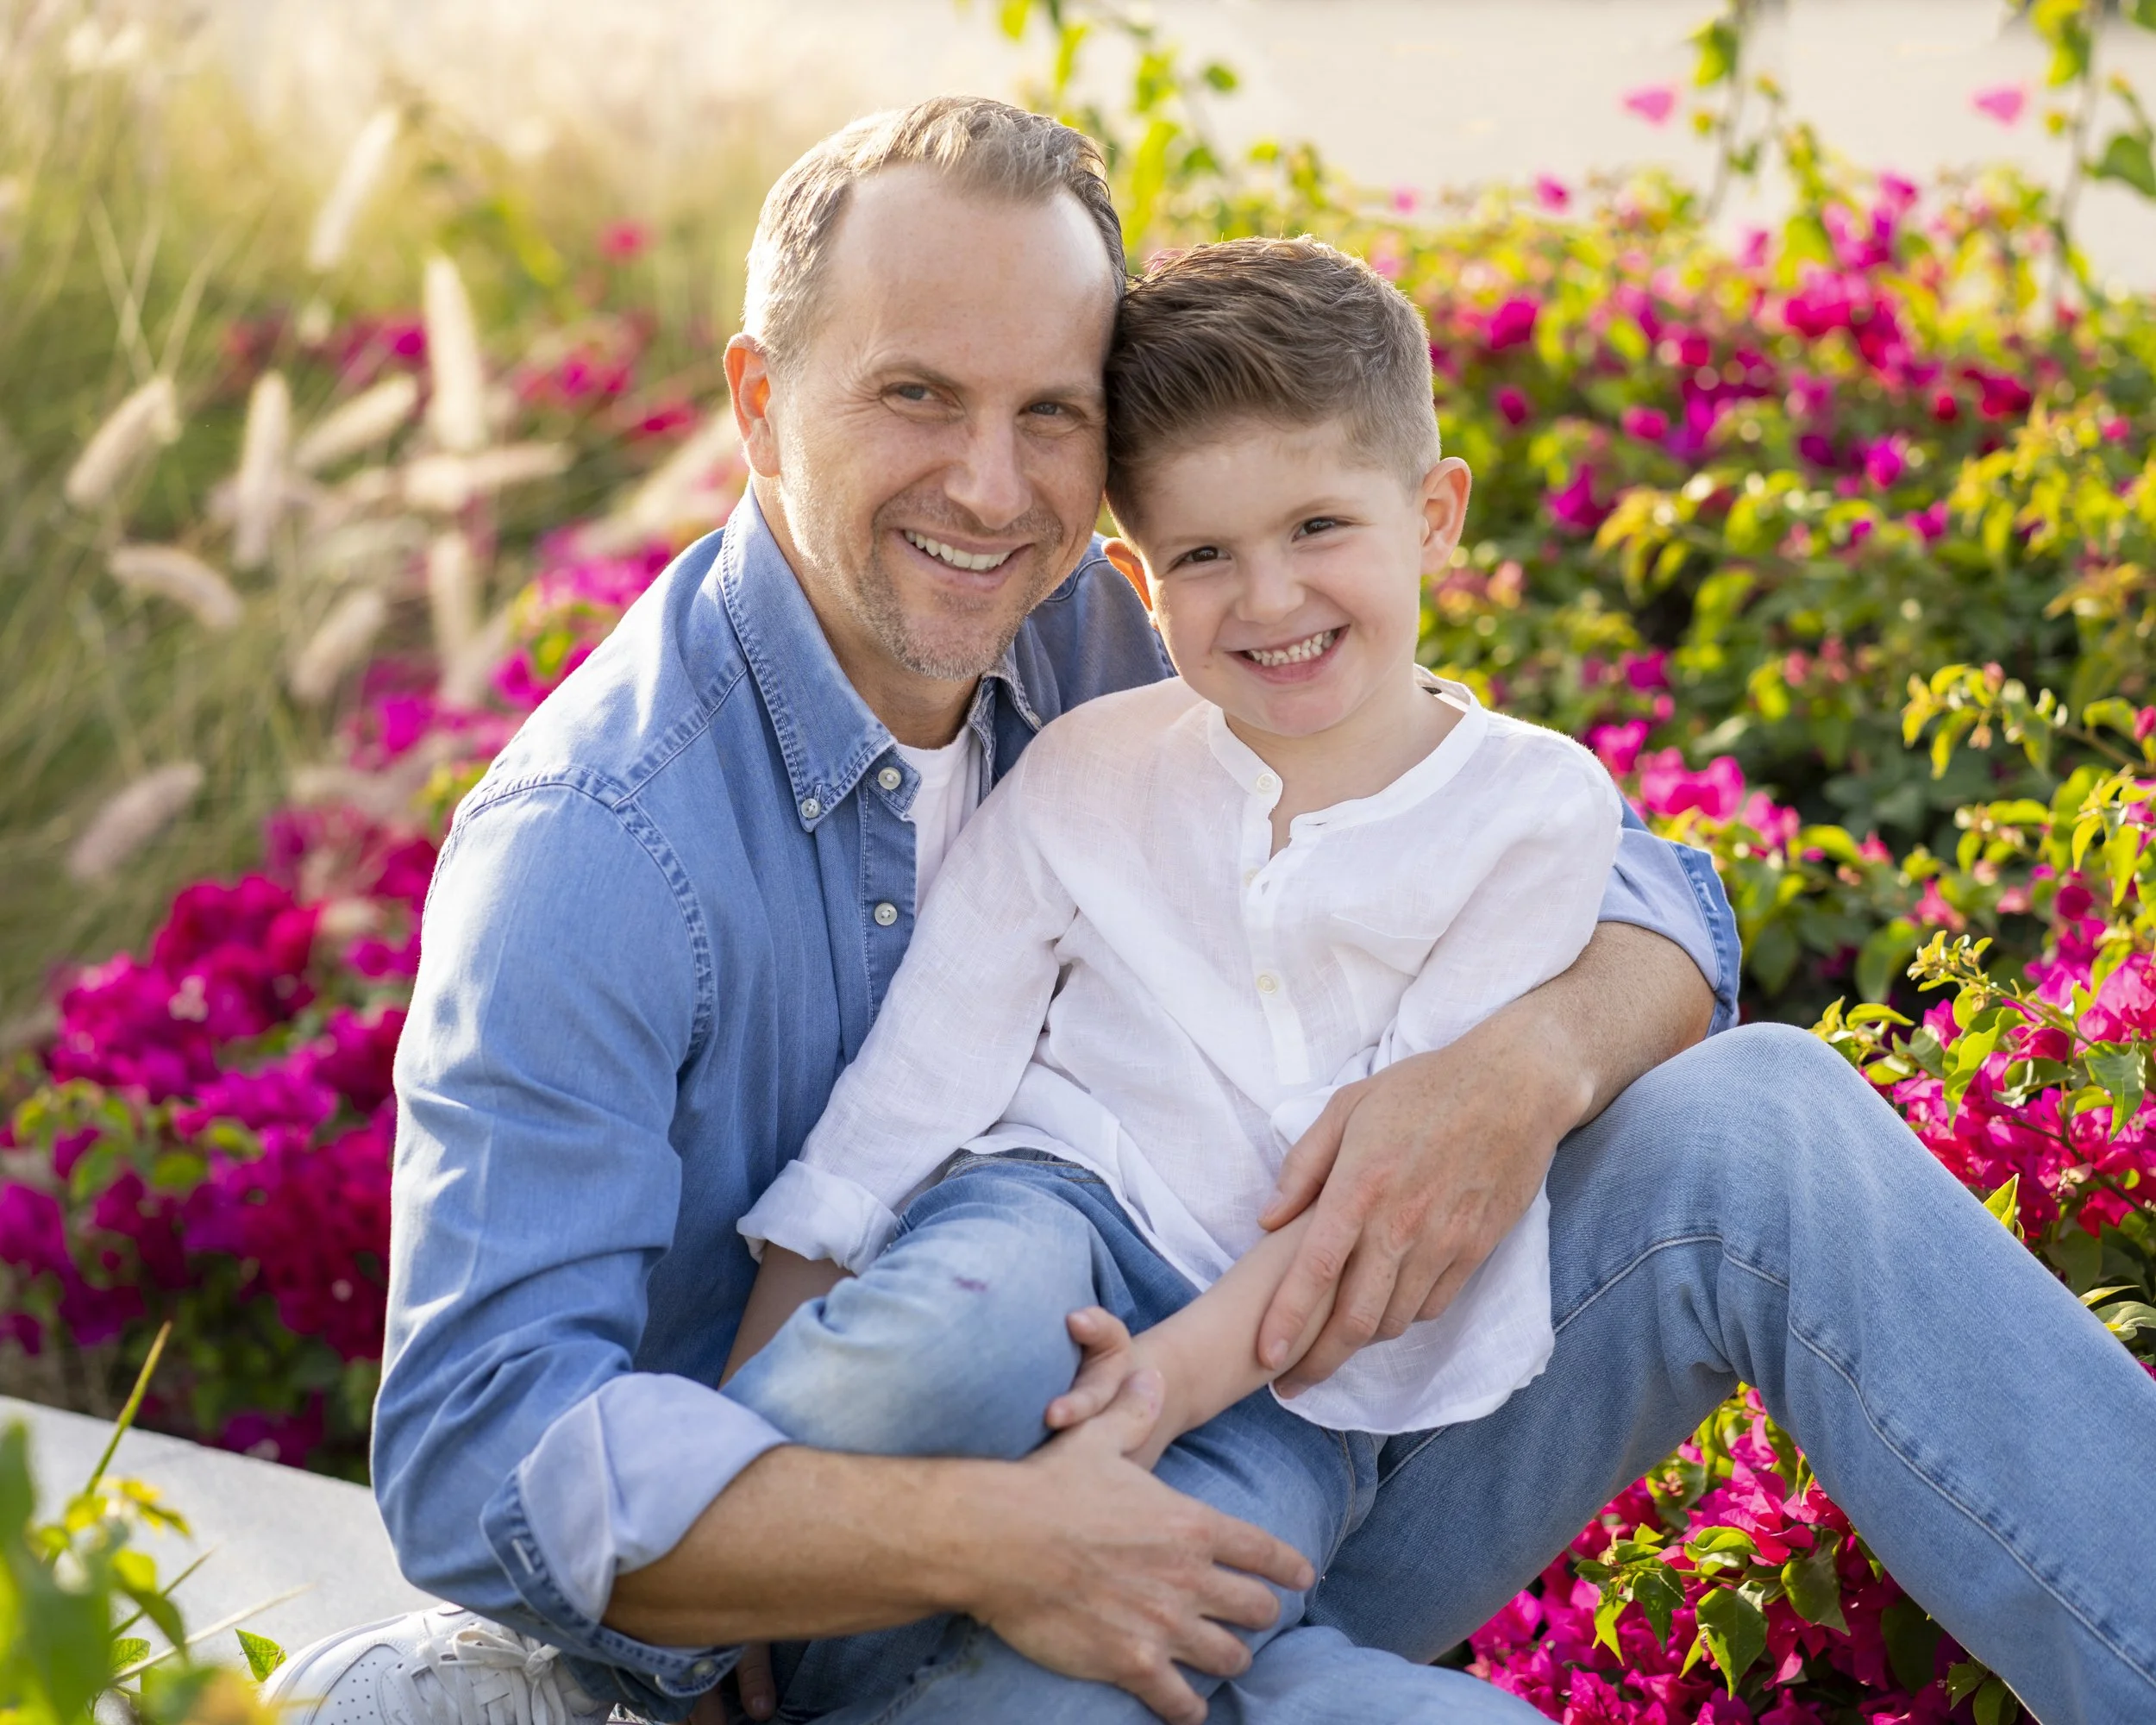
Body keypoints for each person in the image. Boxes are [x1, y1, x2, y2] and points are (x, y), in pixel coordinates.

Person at [265, 97, 2156, 1725]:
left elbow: (1613, 874)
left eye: (1048, 414)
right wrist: (1007, 1538)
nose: (987, 487)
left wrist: (1514, 1070)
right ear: (762, 405)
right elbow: (476, 1456)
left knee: (1769, 1125)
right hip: (851, 1607)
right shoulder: (601, 844)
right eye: (912, 397)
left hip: (1264, 1445)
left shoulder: (1112, 621)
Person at [705, 234, 1627, 1721]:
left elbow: (1363, 1213)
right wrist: (739, 1453)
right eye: (1203, 555)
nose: (1268, 599)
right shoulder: (1087, 774)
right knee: (924, 1354)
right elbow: (901, 1105)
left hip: (1289, 1394)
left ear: (1436, 513)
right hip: (1051, 1217)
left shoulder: (1538, 817)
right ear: (1140, 578)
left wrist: (1155, 1402)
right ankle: (709, 1634)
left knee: (1115, 1673)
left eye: (1320, 524)